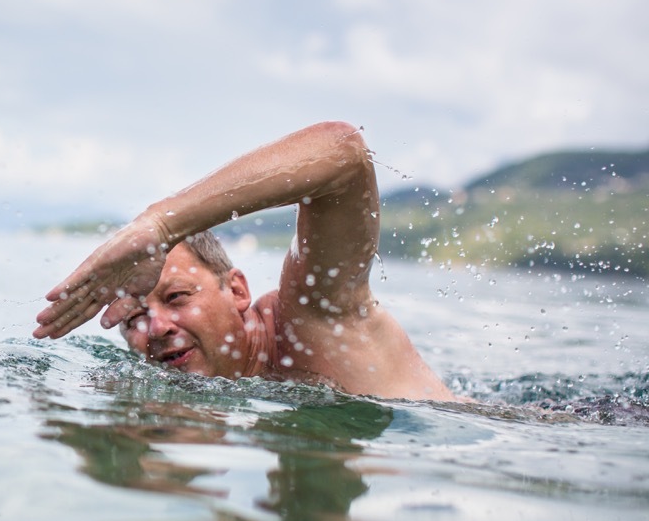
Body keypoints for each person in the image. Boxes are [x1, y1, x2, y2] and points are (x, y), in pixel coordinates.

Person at [32, 121, 455, 401]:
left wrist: (161, 224)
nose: (156, 328)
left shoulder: (308, 321)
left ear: (236, 290)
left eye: (177, 296)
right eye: (134, 319)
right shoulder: (178, 393)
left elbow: (344, 155)